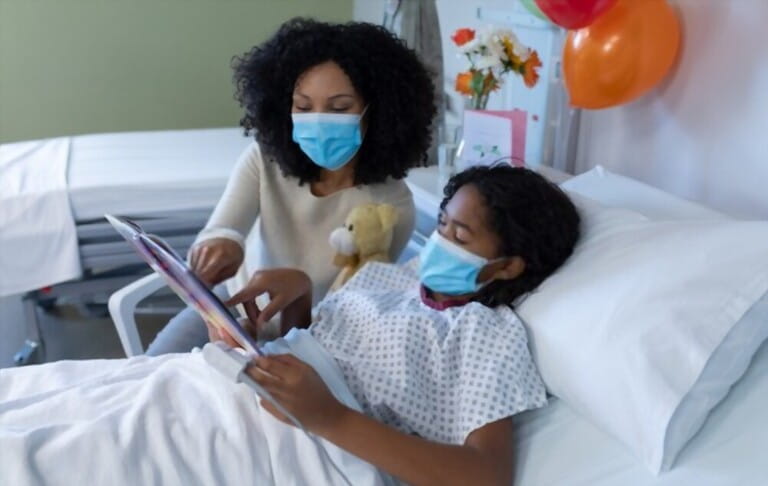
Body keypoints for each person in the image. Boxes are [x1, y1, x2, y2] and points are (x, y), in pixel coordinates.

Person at [0, 166, 580, 486]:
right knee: (49, 401)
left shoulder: (487, 335)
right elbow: (320, 352)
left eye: (458, 236)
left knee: (65, 458)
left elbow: (485, 478)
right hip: (226, 387)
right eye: (444, 225)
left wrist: (328, 416)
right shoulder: (389, 279)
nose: (440, 243)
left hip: (300, 445)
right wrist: (286, 312)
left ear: (506, 266)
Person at [146, 18, 436, 354]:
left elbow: (350, 319)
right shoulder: (264, 160)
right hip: (233, 307)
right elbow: (222, 229)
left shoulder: (390, 207)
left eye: (339, 108)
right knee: (144, 374)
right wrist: (219, 246)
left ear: (380, 113)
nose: (318, 119)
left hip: (312, 337)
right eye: (303, 106)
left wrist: (289, 311)